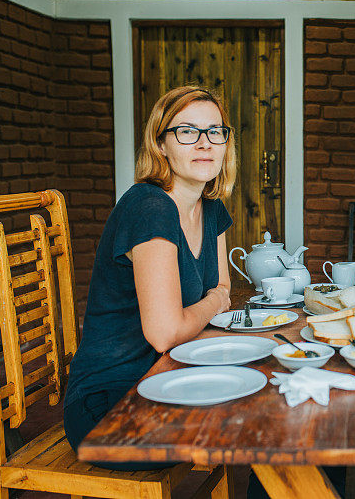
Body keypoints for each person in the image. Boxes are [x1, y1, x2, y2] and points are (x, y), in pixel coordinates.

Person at [64, 86, 235, 470]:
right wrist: (214, 302)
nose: (204, 143)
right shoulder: (149, 207)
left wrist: (216, 300)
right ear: (161, 145)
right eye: (187, 131)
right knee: (261, 426)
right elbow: (166, 331)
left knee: (282, 407)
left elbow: (223, 289)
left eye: (215, 131)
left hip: (172, 377)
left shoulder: (211, 207)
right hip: (112, 404)